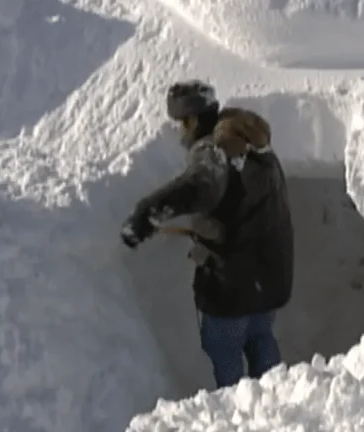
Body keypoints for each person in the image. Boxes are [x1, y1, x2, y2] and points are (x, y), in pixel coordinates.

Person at [120, 79, 294, 388]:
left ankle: (230, 410)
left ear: (192, 120)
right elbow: (239, 205)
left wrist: (147, 213)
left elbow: (201, 186)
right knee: (260, 338)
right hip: (269, 279)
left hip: (232, 286)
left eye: (181, 124)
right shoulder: (255, 146)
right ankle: (277, 403)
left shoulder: (214, 149)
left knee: (223, 350)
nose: (180, 134)